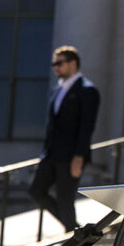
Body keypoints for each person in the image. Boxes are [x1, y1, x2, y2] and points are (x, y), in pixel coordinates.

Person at [29, 44, 100, 233]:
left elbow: (87, 126)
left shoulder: (87, 90)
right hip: (51, 154)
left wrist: (79, 156)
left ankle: (73, 236)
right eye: (54, 63)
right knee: (36, 190)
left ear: (73, 63)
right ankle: (76, 230)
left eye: (59, 63)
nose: (56, 67)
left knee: (65, 198)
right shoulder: (57, 90)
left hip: (71, 155)